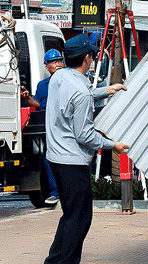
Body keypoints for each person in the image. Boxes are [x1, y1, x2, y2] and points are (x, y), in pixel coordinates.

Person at [44, 35, 129, 264]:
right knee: (80, 219)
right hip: (72, 162)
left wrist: (107, 90)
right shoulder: (80, 91)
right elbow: (85, 135)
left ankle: (53, 262)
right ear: (86, 58)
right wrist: (114, 146)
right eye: (90, 55)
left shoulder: (58, 77)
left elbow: (78, 95)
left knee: (71, 216)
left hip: (56, 158)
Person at [34, 49, 65, 205]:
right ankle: (55, 193)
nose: (58, 64)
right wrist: (25, 97)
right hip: (50, 129)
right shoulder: (42, 86)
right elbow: (38, 103)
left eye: (59, 61)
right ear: (47, 67)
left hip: (65, 127)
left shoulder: (68, 82)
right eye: (54, 62)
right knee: (49, 159)